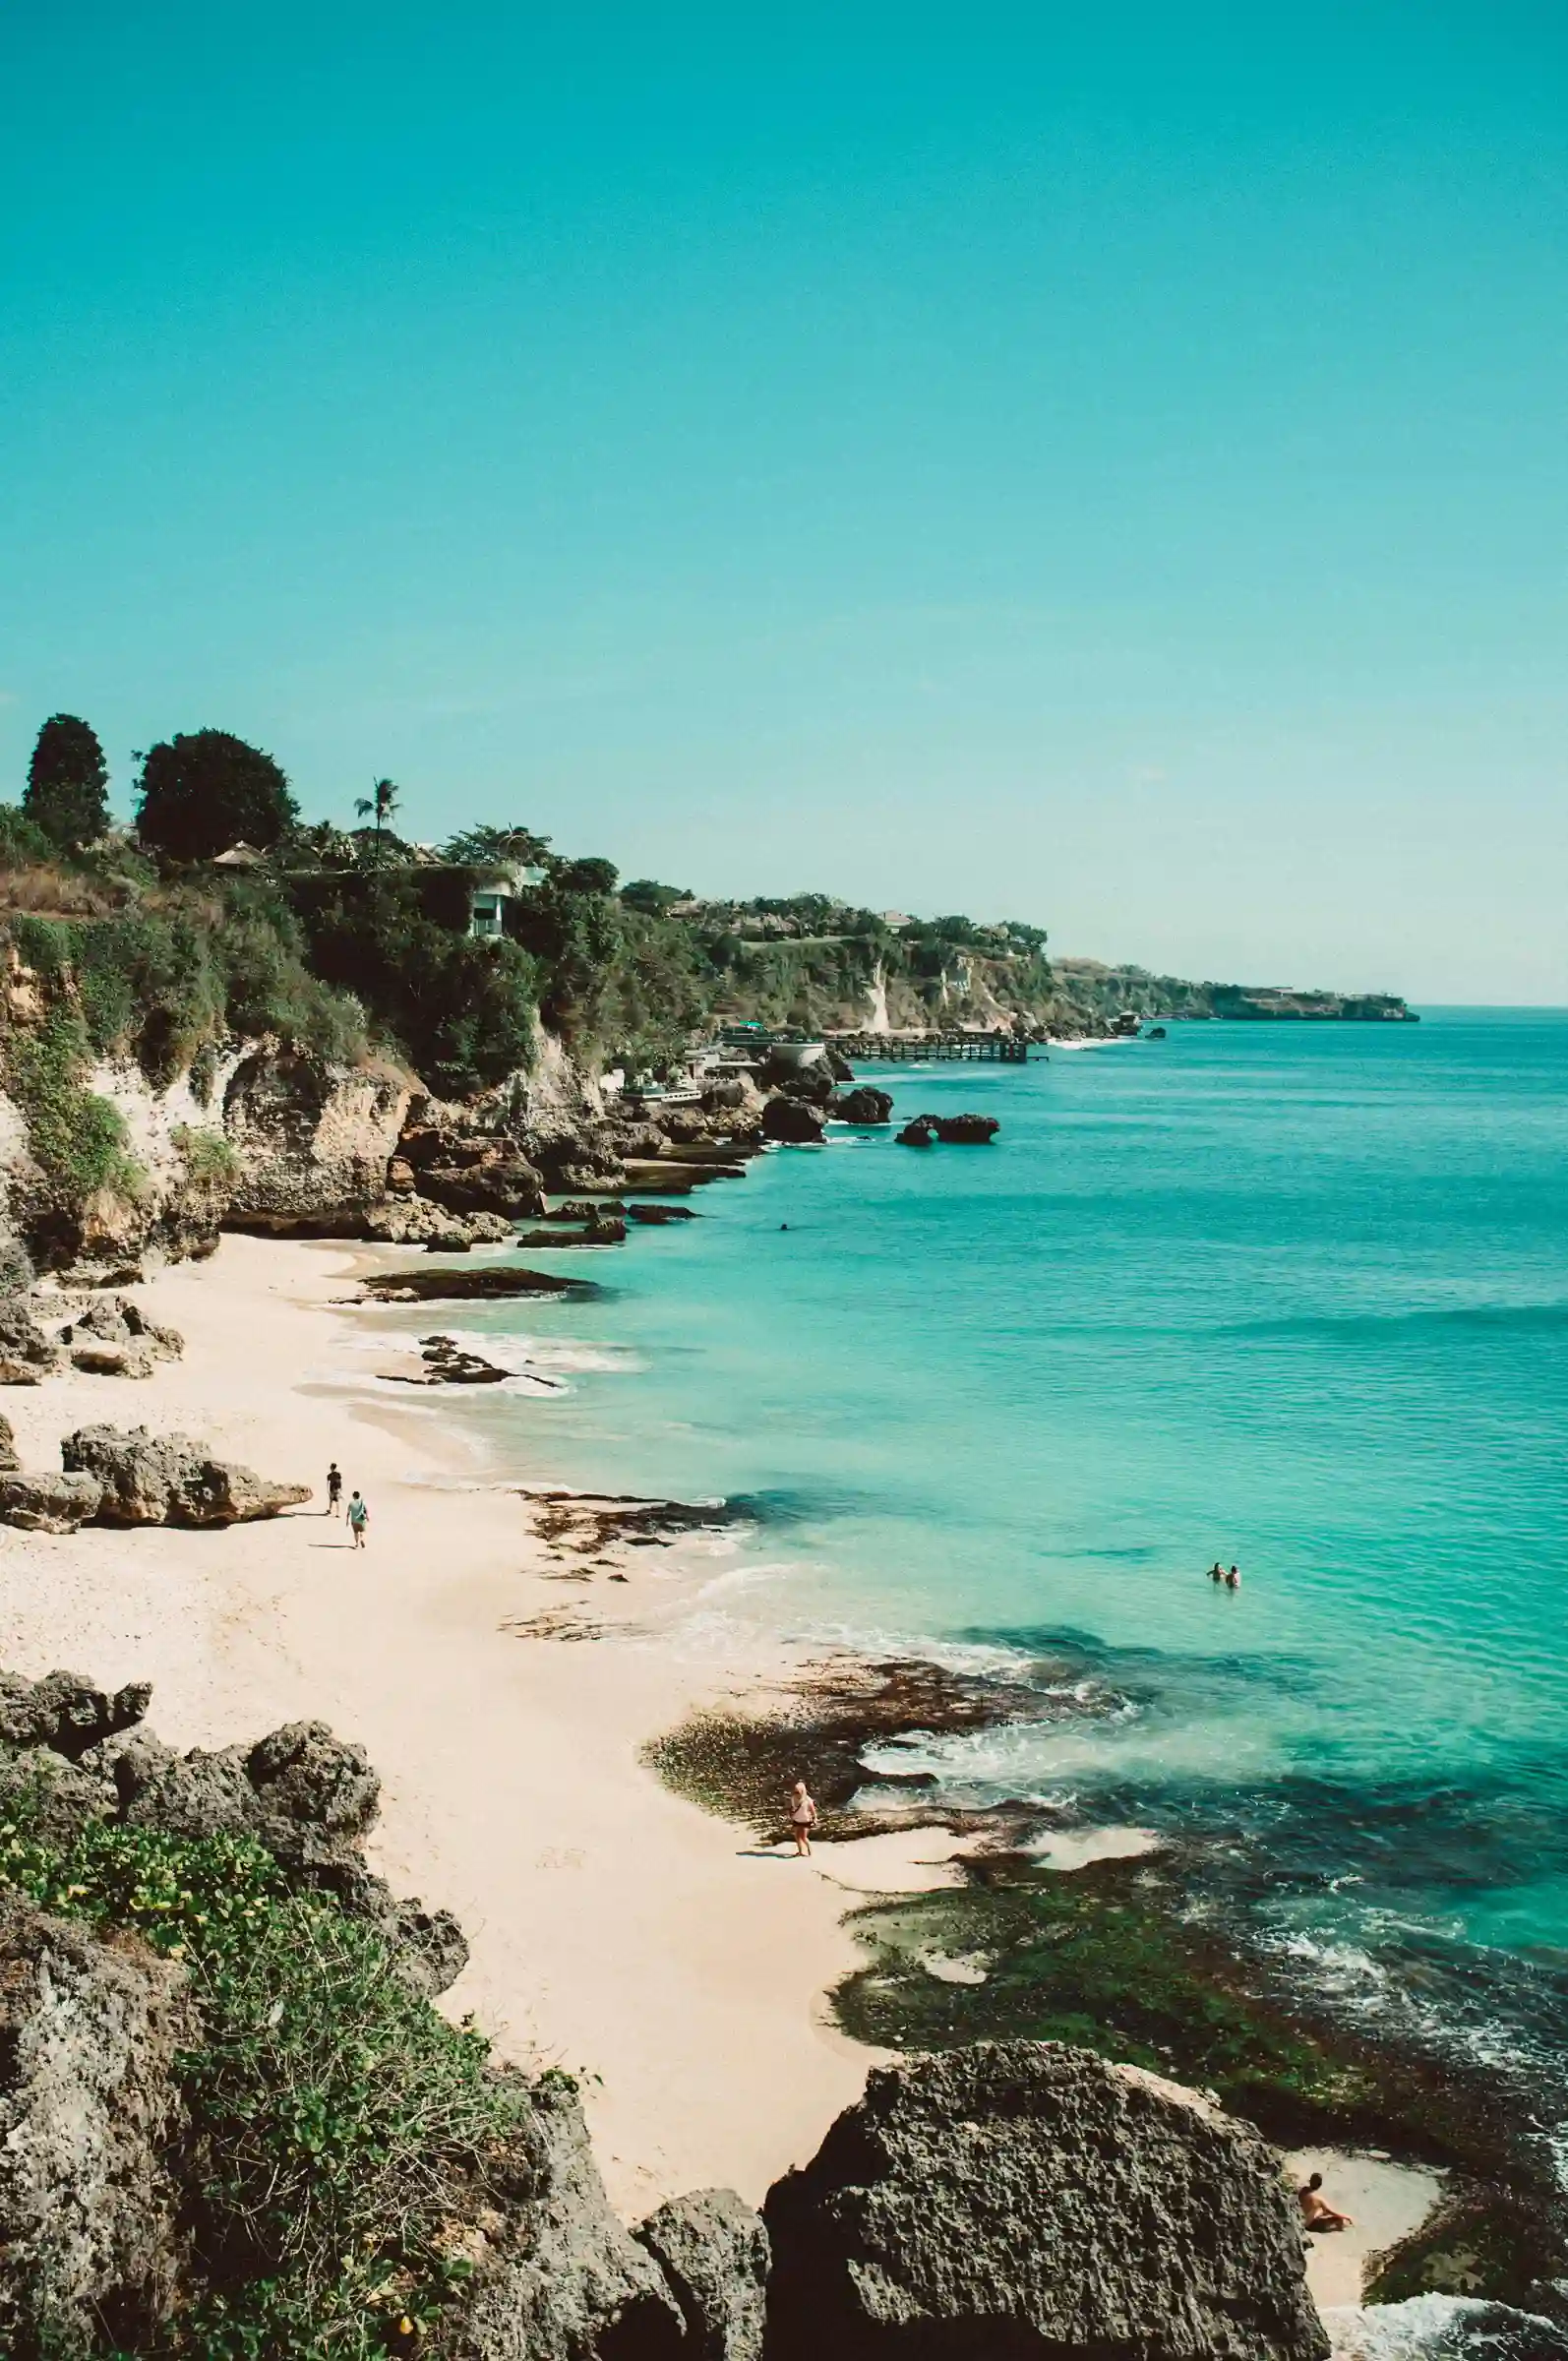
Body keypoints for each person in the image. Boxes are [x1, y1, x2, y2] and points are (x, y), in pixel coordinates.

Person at [788, 1780, 818, 1857]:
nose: (796, 1794)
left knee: (803, 1837)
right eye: (795, 1792)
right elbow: (792, 1808)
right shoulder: (793, 1798)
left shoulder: (808, 1800)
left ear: (802, 1791)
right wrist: (790, 1814)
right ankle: (800, 1851)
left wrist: (815, 1818)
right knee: (797, 1836)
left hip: (805, 1820)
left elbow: (812, 1810)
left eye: (798, 1792)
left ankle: (809, 1850)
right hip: (796, 1820)